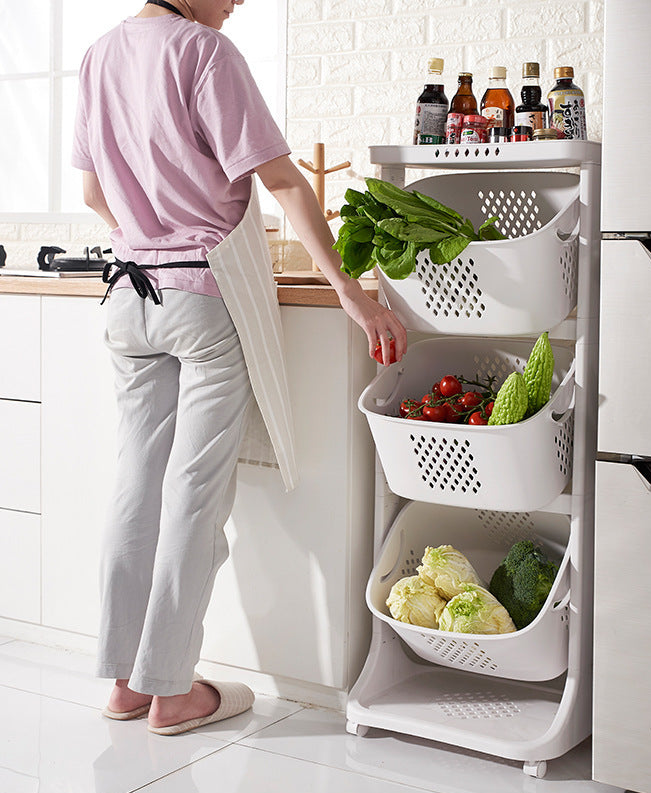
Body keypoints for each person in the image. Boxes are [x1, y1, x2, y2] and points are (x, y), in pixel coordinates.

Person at [73, 0, 406, 735]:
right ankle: (171, 691)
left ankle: (125, 683)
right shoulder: (204, 53)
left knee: (137, 485)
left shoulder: (100, 53)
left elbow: (95, 194)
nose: (238, 2)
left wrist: (150, 239)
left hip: (128, 298)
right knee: (194, 495)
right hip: (202, 296)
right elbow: (284, 182)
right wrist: (348, 291)